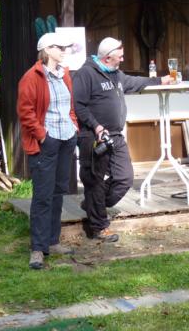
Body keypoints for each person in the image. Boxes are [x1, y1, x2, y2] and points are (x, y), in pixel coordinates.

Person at [73, 37, 174, 242]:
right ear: (107, 57)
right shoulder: (86, 74)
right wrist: (96, 126)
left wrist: (160, 80)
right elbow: (78, 105)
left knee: (125, 177)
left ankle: (94, 205)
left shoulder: (116, 75)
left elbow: (136, 82)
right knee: (95, 181)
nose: (122, 59)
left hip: (115, 136)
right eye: (119, 56)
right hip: (94, 137)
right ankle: (99, 227)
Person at [17, 33, 79, 270]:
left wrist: (74, 127)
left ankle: (52, 242)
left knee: (58, 192)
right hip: (46, 143)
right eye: (59, 47)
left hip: (66, 140)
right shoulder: (31, 77)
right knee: (43, 196)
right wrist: (43, 136)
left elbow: (69, 106)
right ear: (46, 49)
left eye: (64, 47)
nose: (63, 51)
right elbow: (26, 113)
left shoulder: (64, 75)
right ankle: (38, 249)